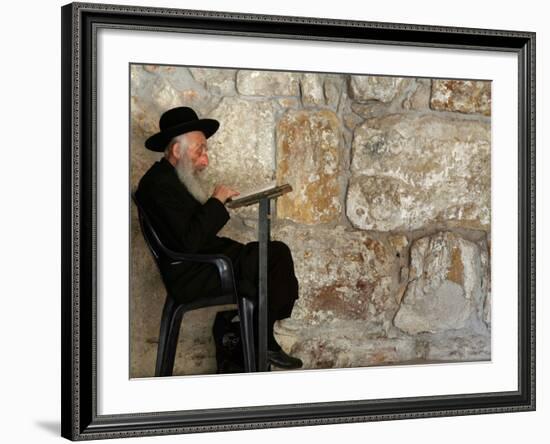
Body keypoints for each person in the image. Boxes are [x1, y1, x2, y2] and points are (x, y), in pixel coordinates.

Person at [135, 106, 303, 369]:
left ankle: (255, 335)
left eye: (205, 150)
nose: (205, 159)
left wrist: (217, 203)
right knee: (274, 255)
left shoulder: (170, 179)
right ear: (177, 151)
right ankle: (262, 341)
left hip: (206, 263)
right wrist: (215, 201)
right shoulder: (157, 185)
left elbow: (191, 231)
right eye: (199, 150)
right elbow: (188, 242)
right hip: (194, 272)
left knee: (271, 257)